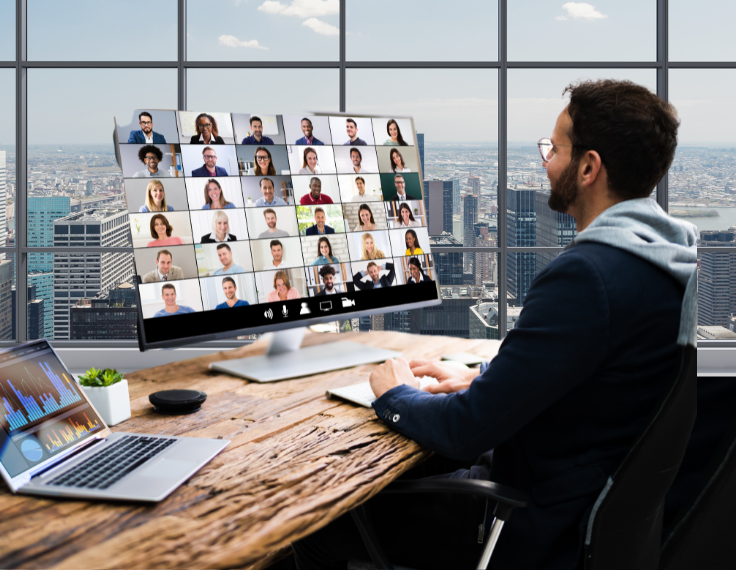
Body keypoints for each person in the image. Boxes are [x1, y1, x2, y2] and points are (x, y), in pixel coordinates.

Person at [291, 79, 692, 570]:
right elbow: (591, 387)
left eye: (554, 148)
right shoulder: (661, 261)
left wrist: (393, 393)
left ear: (589, 168)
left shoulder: (589, 275)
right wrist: (482, 381)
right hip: (575, 503)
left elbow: (463, 431)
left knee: (309, 523)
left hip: (519, 521)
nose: (545, 161)